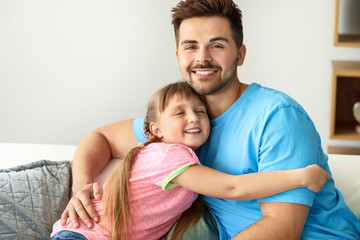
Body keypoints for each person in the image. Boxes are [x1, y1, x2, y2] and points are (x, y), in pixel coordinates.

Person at [61, 0, 360, 239]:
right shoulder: (180, 123)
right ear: (178, 56)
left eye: (217, 45)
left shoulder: (277, 117)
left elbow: (282, 230)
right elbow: (99, 138)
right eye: (191, 46)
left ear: (240, 54)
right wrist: (81, 190)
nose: (202, 58)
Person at [51, 82, 329, 240]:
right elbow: (233, 187)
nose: (193, 117)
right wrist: (301, 177)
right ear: (155, 129)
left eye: (200, 111)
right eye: (179, 113)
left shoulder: (157, 149)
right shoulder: (170, 155)